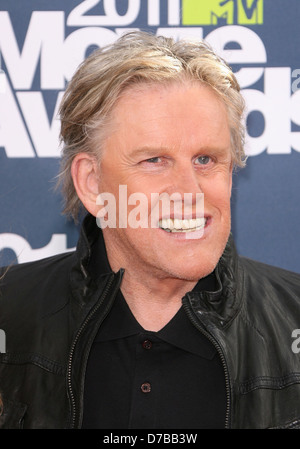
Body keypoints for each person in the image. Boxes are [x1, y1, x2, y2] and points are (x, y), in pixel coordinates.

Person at [0, 31, 300, 430]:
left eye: (206, 159)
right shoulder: (9, 312)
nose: (191, 192)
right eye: (155, 160)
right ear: (91, 183)